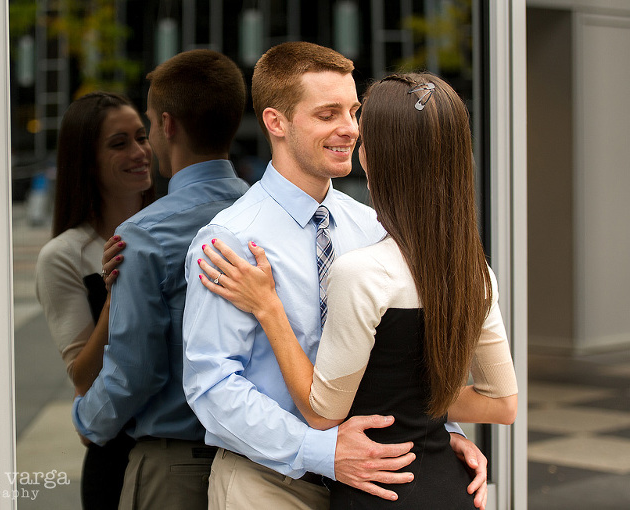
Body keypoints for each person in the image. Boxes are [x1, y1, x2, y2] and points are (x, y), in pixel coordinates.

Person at [183, 42, 490, 510]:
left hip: (370, 480)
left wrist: (440, 431)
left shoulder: (372, 226)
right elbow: (212, 386)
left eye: (353, 111)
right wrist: (324, 453)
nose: (350, 129)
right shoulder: (229, 241)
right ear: (276, 122)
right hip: (268, 482)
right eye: (328, 114)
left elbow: (402, 356)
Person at [71, 49, 250, 510]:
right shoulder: (267, 218)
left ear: (167, 125)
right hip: (260, 466)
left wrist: (87, 421)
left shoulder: (144, 236)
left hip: (177, 470)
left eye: (149, 123)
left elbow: (135, 371)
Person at [35, 91, 154, 509]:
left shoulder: (177, 232)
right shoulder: (64, 256)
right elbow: (84, 378)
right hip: (117, 462)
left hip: (187, 450)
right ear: (85, 161)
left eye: (142, 137)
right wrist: (117, 293)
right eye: (119, 144)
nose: (140, 152)